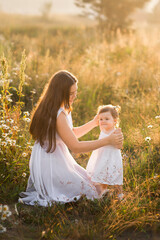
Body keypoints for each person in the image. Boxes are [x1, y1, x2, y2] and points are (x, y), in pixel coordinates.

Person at [19, 70, 123, 206]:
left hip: (55, 157)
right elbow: (75, 147)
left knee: (94, 184)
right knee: (93, 191)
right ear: (60, 93)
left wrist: (93, 123)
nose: (74, 96)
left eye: (76, 92)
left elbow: (70, 134)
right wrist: (107, 141)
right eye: (71, 94)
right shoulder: (58, 114)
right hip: (49, 163)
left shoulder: (61, 107)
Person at [86, 105, 123, 200]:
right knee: (101, 174)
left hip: (112, 157)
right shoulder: (102, 129)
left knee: (115, 175)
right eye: (101, 119)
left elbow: (119, 146)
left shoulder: (116, 131)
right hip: (101, 157)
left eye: (107, 119)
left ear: (115, 121)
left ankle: (120, 194)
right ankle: (103, 193)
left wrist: (117, 142)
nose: (103, 121)